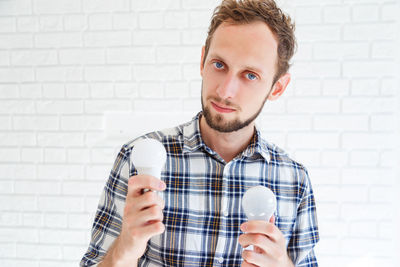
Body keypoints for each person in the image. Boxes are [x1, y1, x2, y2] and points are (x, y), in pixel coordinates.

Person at [80, 0, 319, 266]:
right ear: (203, 60)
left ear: (277, 88)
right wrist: (126, 247)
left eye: (250, 75)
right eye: (219, 65)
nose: (225, 90)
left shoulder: (295, 180)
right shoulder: (138, 158)